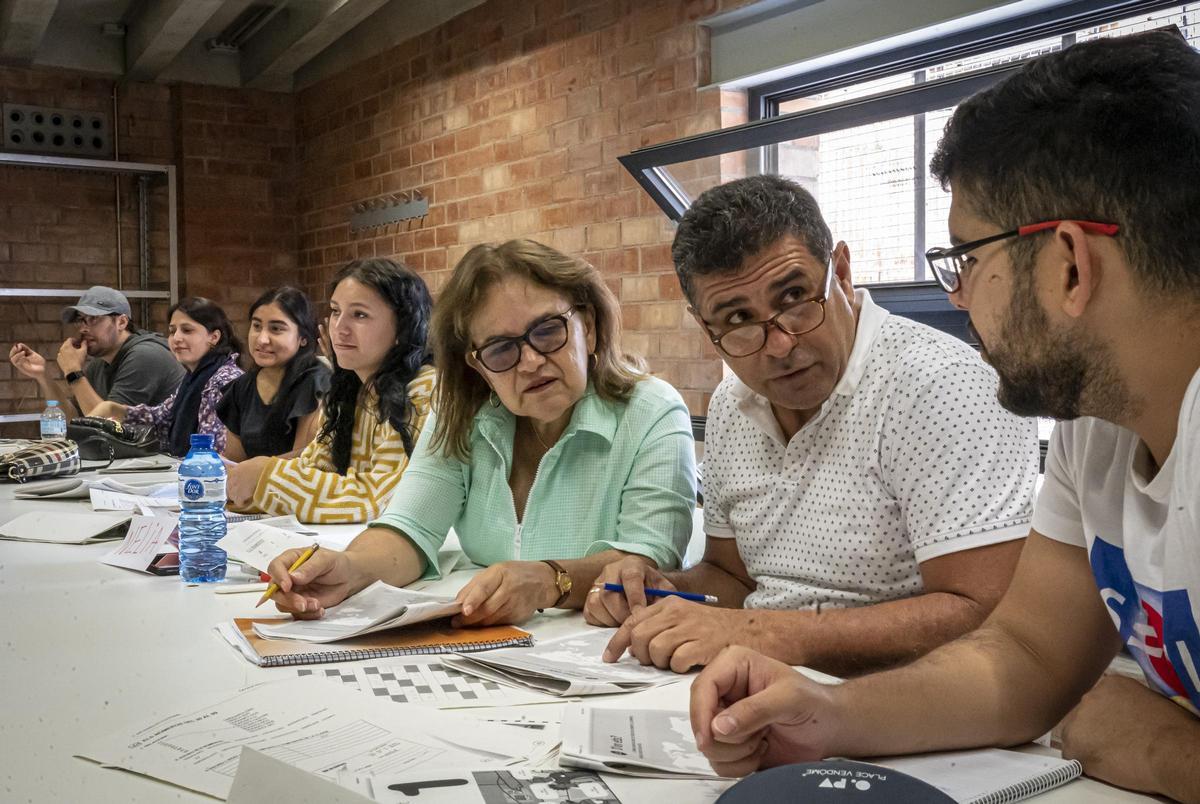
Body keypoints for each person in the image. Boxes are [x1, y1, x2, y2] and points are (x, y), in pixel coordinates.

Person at [687, 31, 1200, 802]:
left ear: (1068, 264)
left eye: (966, 258)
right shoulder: (1096, 422)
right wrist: (825, 713)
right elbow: (1024, 657)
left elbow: (1089, 706)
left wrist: (1166, 752)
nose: (956, 298)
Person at [590, 174, 1039, 677]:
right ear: (705, 327)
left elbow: (986, 612)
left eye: (795, 297)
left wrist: (765, 634)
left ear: (841, 273)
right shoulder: (729, 406)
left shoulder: (940, 385)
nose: (780, 344)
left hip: (911, 706)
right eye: (738, 319)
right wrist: (665, 591)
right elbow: (730, 577)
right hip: (766, 683)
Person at [263, 239, 697, 626]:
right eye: (501, 349)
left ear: (590, 327)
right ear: (477, 365)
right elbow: (411, 529)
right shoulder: (460, 412)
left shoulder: (652, 411)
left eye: (548, 331)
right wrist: (347, 568)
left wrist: (550, 580)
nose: (529, 362)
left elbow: (647, 558)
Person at [225, 259, 436, 523]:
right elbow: (314, 466)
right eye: (336, 312)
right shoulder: (350, 387)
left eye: (359, 315)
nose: (339, 328)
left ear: (402, 328)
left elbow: (377, 499)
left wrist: (265, 477)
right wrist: (244, 486)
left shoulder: (423, 388)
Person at [90, 297, 243, 456]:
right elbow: (161, 419)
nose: (176, 338)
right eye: (172, 331)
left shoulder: (224, 380)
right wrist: (115, 409)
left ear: (214, 337)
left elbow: (213, 450)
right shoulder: (194, 377)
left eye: (187, 330)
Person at [8, 286, 184, 417]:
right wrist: (42, 376)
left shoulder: (145, 356)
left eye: (93, 319)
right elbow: (75, 421)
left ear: (122, 322)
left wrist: (73, 372)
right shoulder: (99, 365)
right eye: (81, 321)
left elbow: (107, 424)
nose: (84, 328)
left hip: (171, 460)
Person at [217, 287, 330, 461]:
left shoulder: (315, 382)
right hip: (251, 486)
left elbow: (305, 460)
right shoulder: (241, 386)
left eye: (276, 329)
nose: (262, 339)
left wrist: (254, 471)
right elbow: (234, 461)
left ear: (303, 338)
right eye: (256, 326)